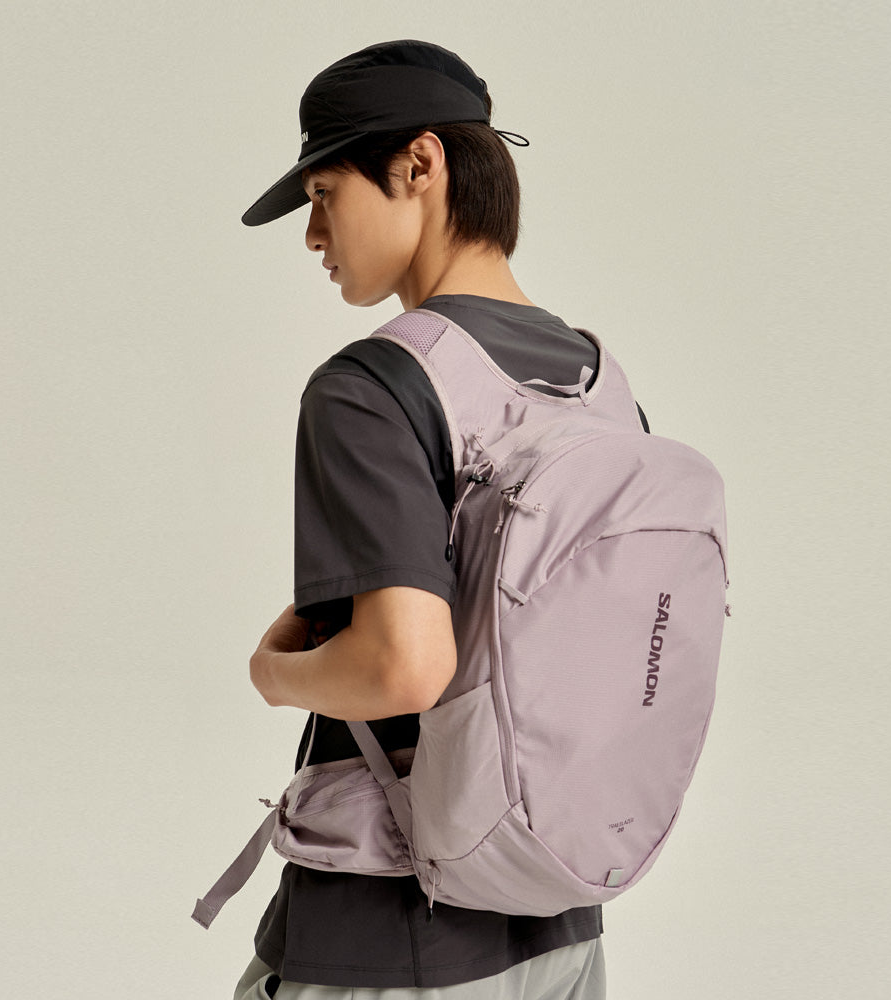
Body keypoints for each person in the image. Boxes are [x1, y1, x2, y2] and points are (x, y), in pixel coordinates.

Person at [232, 39, 644, 999]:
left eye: (324, 193)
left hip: (391, 932)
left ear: (419, 164)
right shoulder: (601, 386)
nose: (312, 234)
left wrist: (273, 674)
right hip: (562, 918)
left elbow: (402, 666)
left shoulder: (372, 386)